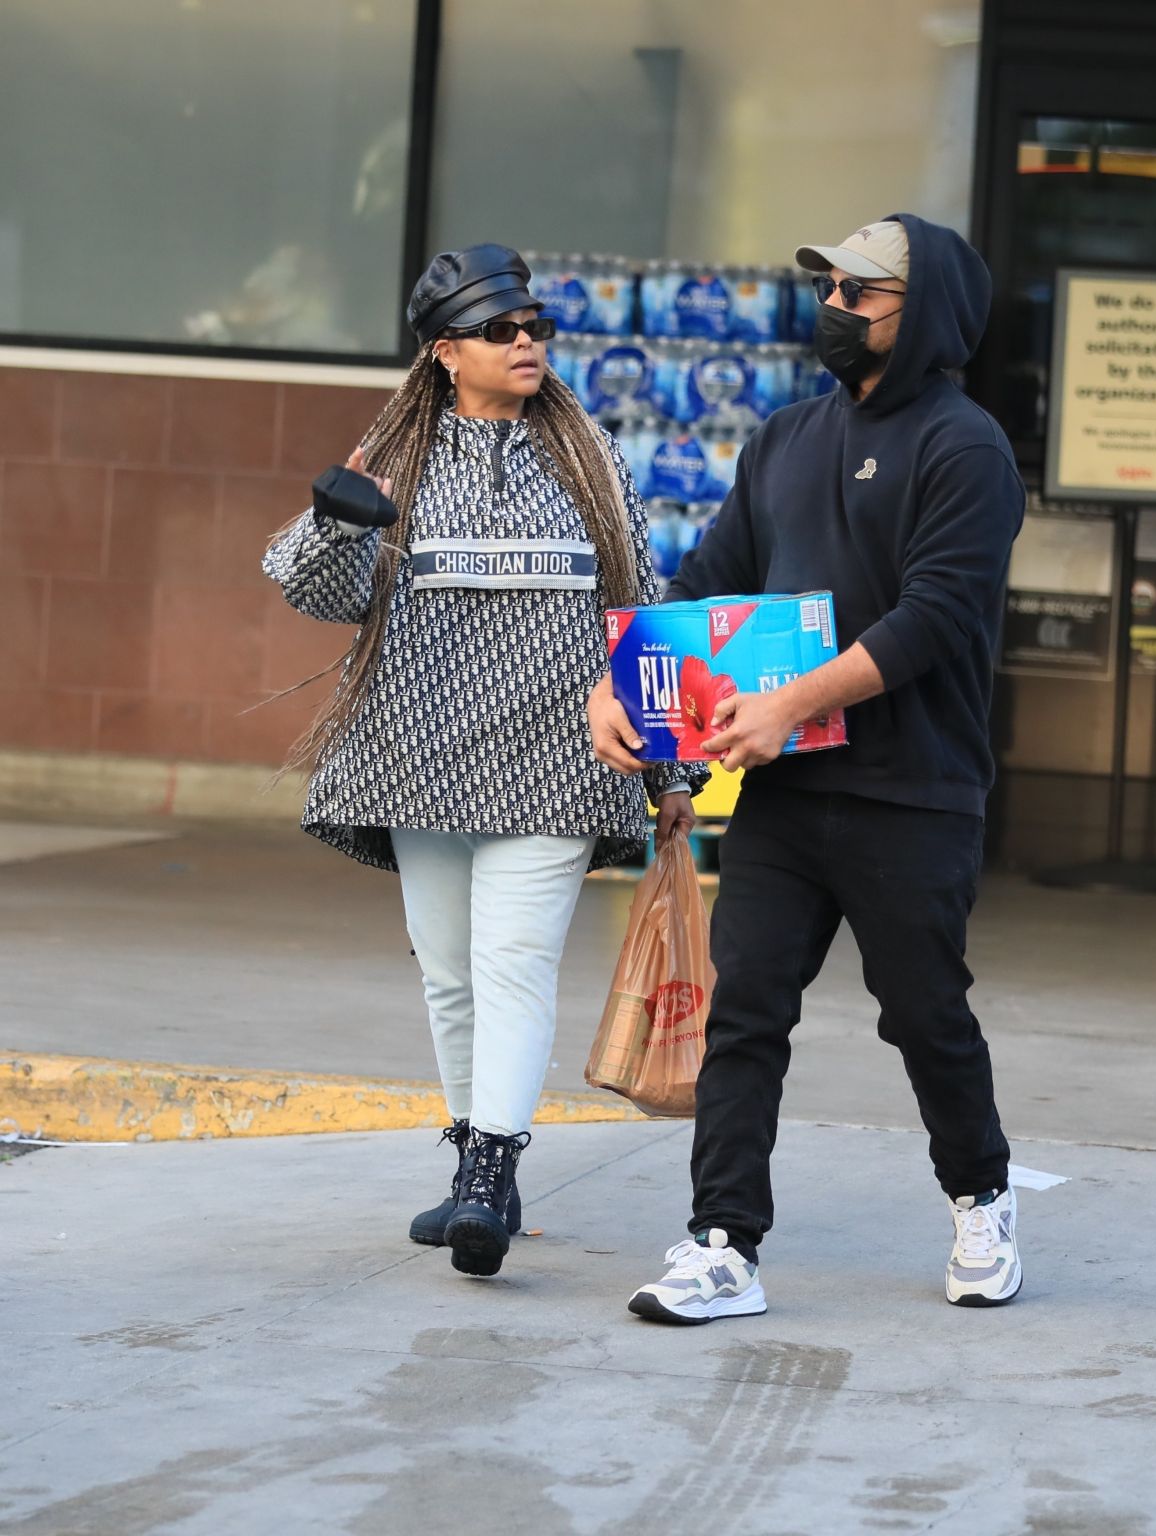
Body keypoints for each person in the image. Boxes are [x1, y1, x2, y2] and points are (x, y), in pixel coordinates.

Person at [589, 216, 1026, 1321]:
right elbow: (706, 581)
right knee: (743, 1015)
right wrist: (621, 685)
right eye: (826, 285)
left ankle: (979, 1196)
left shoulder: (963, 448)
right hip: (784, 792)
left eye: (858, 291)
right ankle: (721, 1243)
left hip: (912, 792)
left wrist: (789, 701)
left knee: (922, 1011)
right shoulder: (784, 438)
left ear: (917, 312)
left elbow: (934, 615)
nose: (832, 305)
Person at [264, 244, 698, 1279]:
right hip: (419, 759)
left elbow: (641, 610)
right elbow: (315, 589)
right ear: (444, 349)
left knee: (512, 966)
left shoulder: (588, 460)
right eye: (501, 329)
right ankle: (466, 1160)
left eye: (534, 327)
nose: (525, 343)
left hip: (557, 756)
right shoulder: (398, 460)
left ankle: (495, 1176)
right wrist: (339, 524)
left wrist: (667, 764)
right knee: (451, 976)